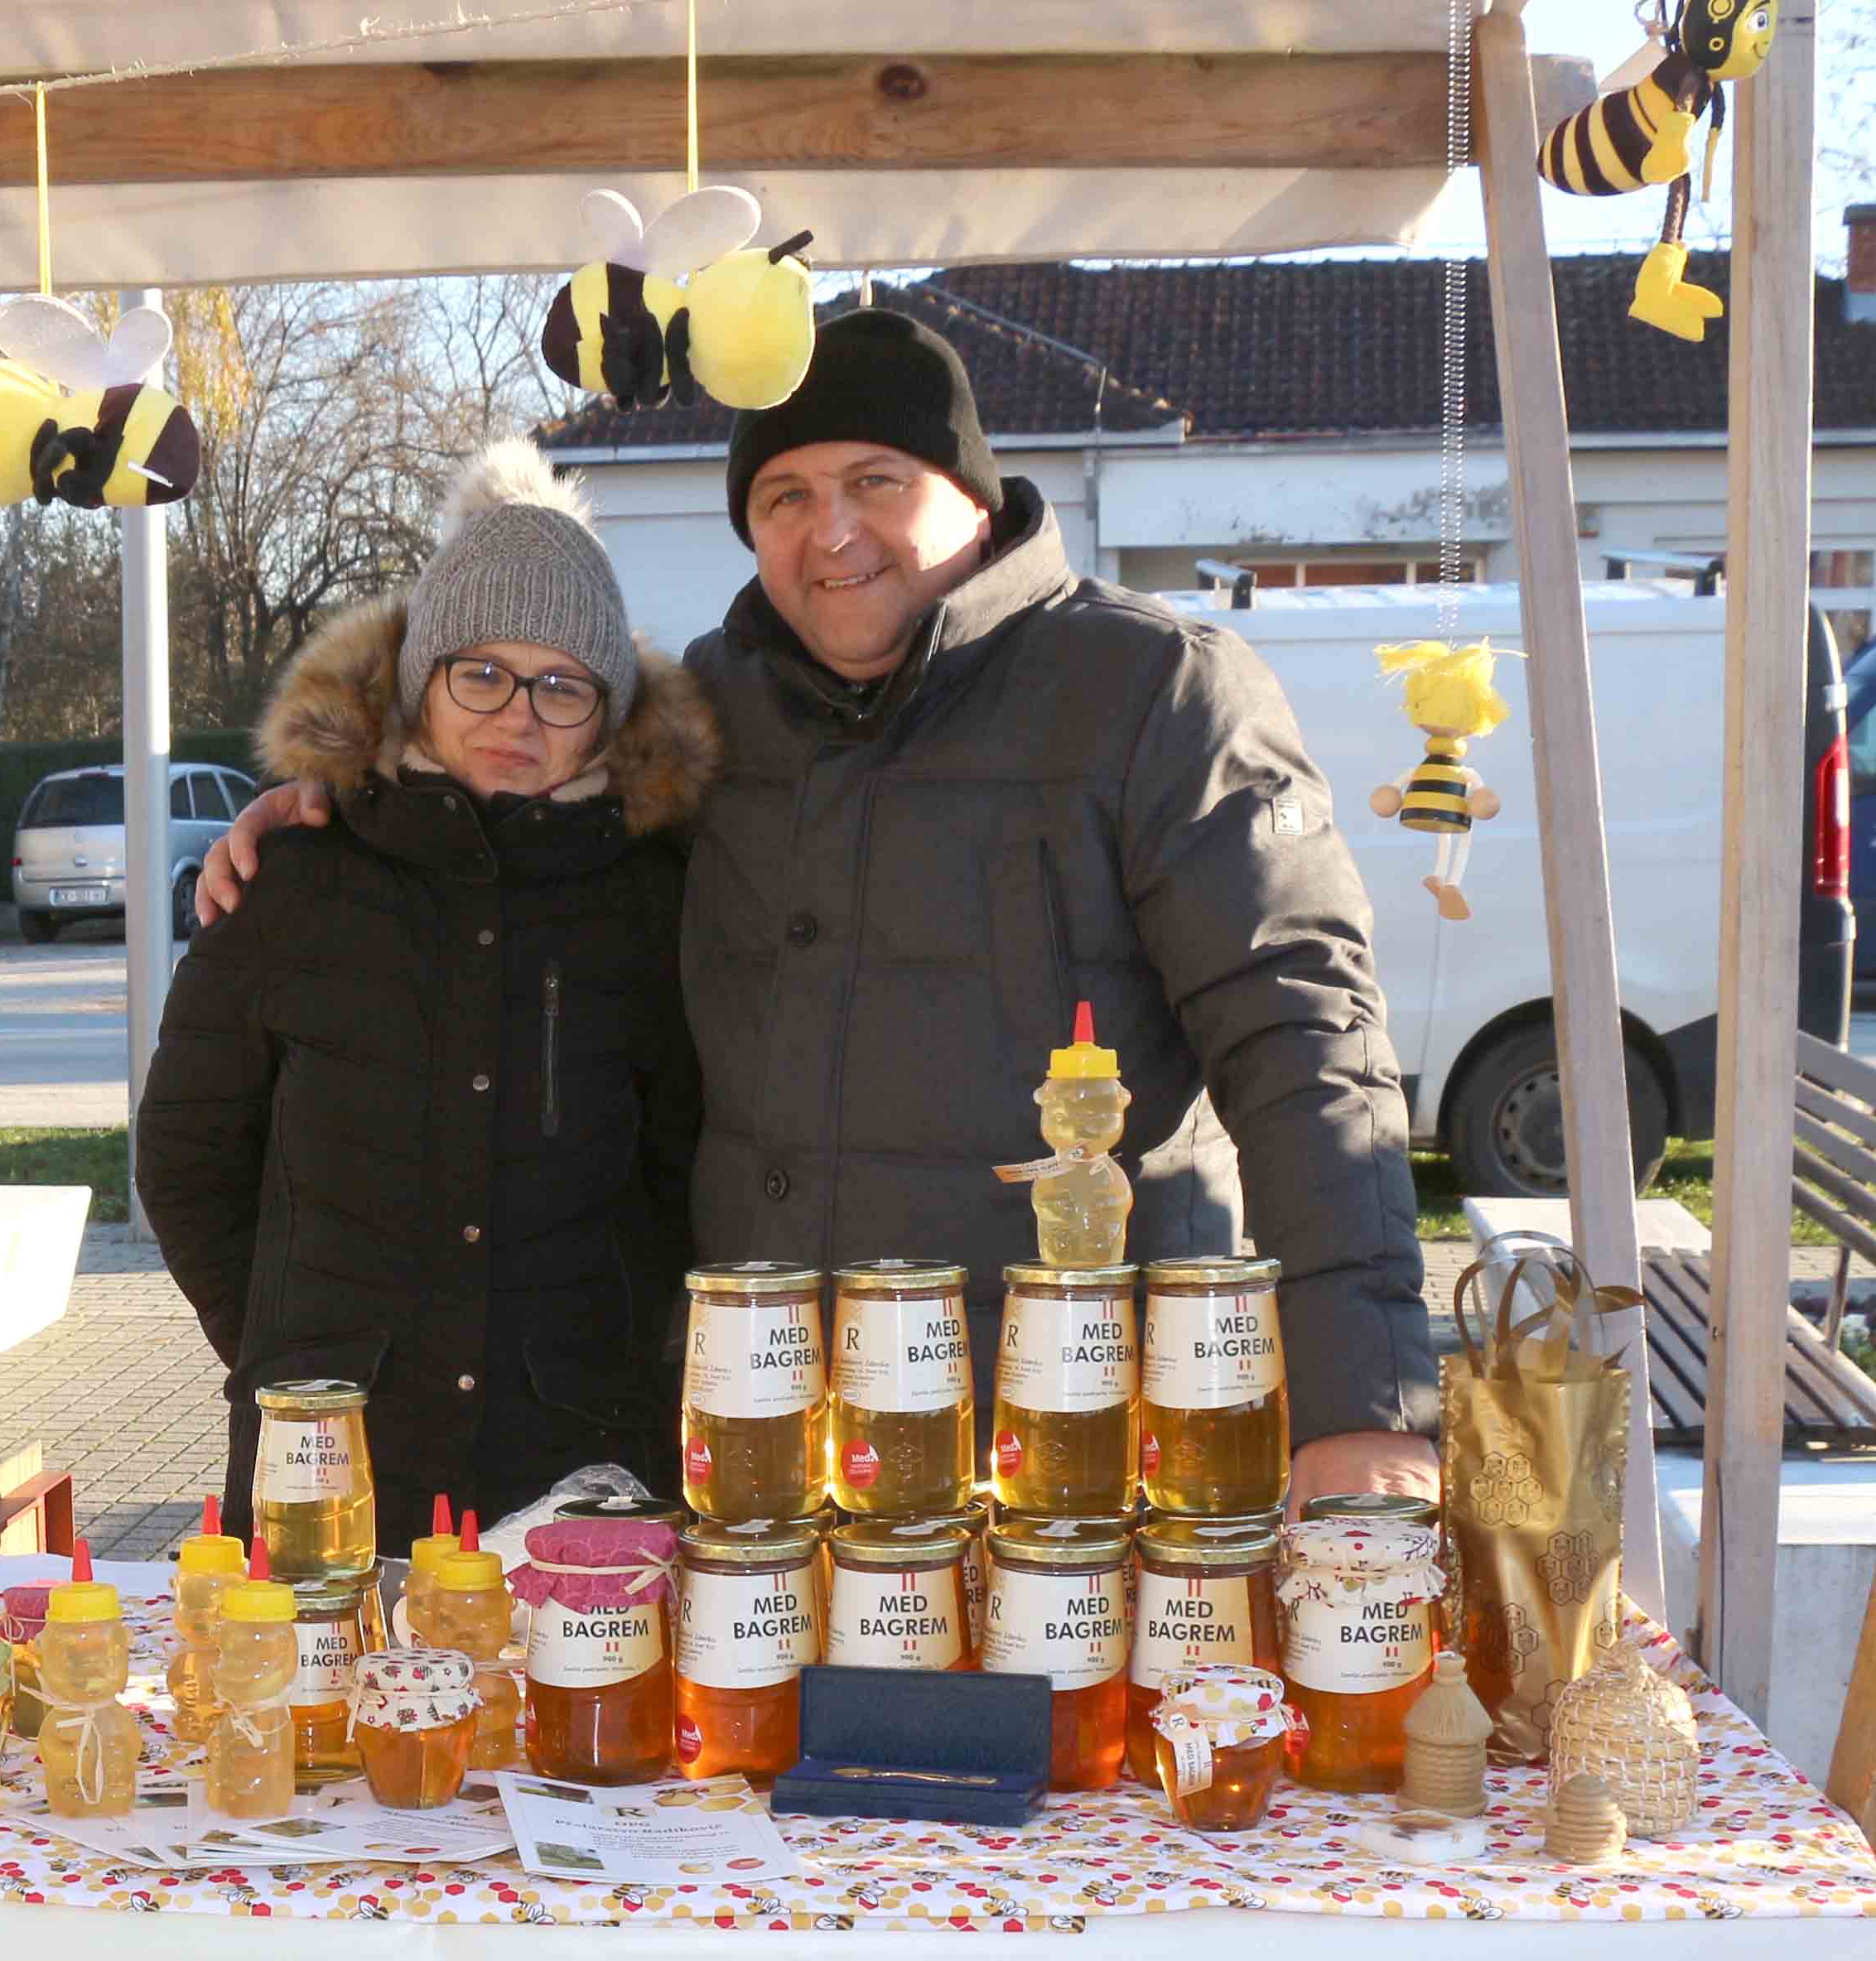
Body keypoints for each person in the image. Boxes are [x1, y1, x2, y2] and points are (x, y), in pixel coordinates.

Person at [200, 311, 1439, 1507]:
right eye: (783, 496)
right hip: (766, 1440)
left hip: (1076, 1420)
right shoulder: (703, 719)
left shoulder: (1156, 694)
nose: (829, 530)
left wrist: (1359, 1400)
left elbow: (1304, 1042)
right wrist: (332, 815)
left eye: (876, 479)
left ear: (971, 490)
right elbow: (495, 809)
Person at [135, 440, 717, 1549]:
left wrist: (625, 1363)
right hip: (332, 1467)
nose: (517, 714)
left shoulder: (652, 900)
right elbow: (185, 1155)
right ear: (419, 680)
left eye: (561, 686)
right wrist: (285, 1356)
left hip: (575, 1465)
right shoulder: (293, 877)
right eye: (480, 672)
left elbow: (683, 1173)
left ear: (607, 711)